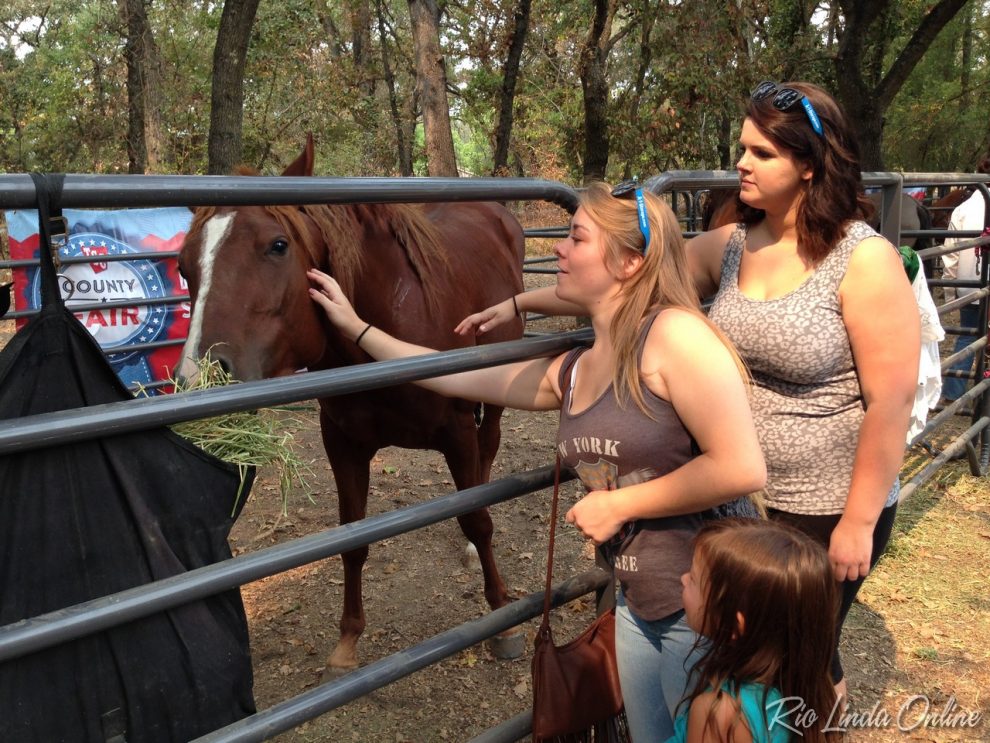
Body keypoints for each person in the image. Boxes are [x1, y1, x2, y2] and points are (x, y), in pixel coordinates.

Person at [457, 82, 921, 702]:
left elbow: (891, 400)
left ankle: (820, 732)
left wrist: (859, 521)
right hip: (741, 501)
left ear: (809, 166)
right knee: (754, 661)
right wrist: (521, 302)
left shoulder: (862, 260)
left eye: (762, 153)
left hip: (825, 502)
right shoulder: (734, 246)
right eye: (743, 148)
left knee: (803, 657)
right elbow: (638, 273)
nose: (741, 164)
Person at [308, 182, 767, 742]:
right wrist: (356, 327)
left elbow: (741, 466)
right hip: (637, 602)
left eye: (577, 238)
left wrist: (621, 504)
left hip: (710, 605)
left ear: (629, 262)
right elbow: (451, 373)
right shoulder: (575, 370)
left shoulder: (676, 337)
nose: (558, 248)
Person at [671, 518, 840, 743]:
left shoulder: (721, 714)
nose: (683, 579)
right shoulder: (810, 688)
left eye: (693, 579)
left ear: (733, 624)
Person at [940, 156, 990, 404]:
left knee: (968, 335)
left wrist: (951, 291)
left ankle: (953, 391)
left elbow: (950, 255)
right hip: (976, 282)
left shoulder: (963, 209)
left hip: (968, 285)